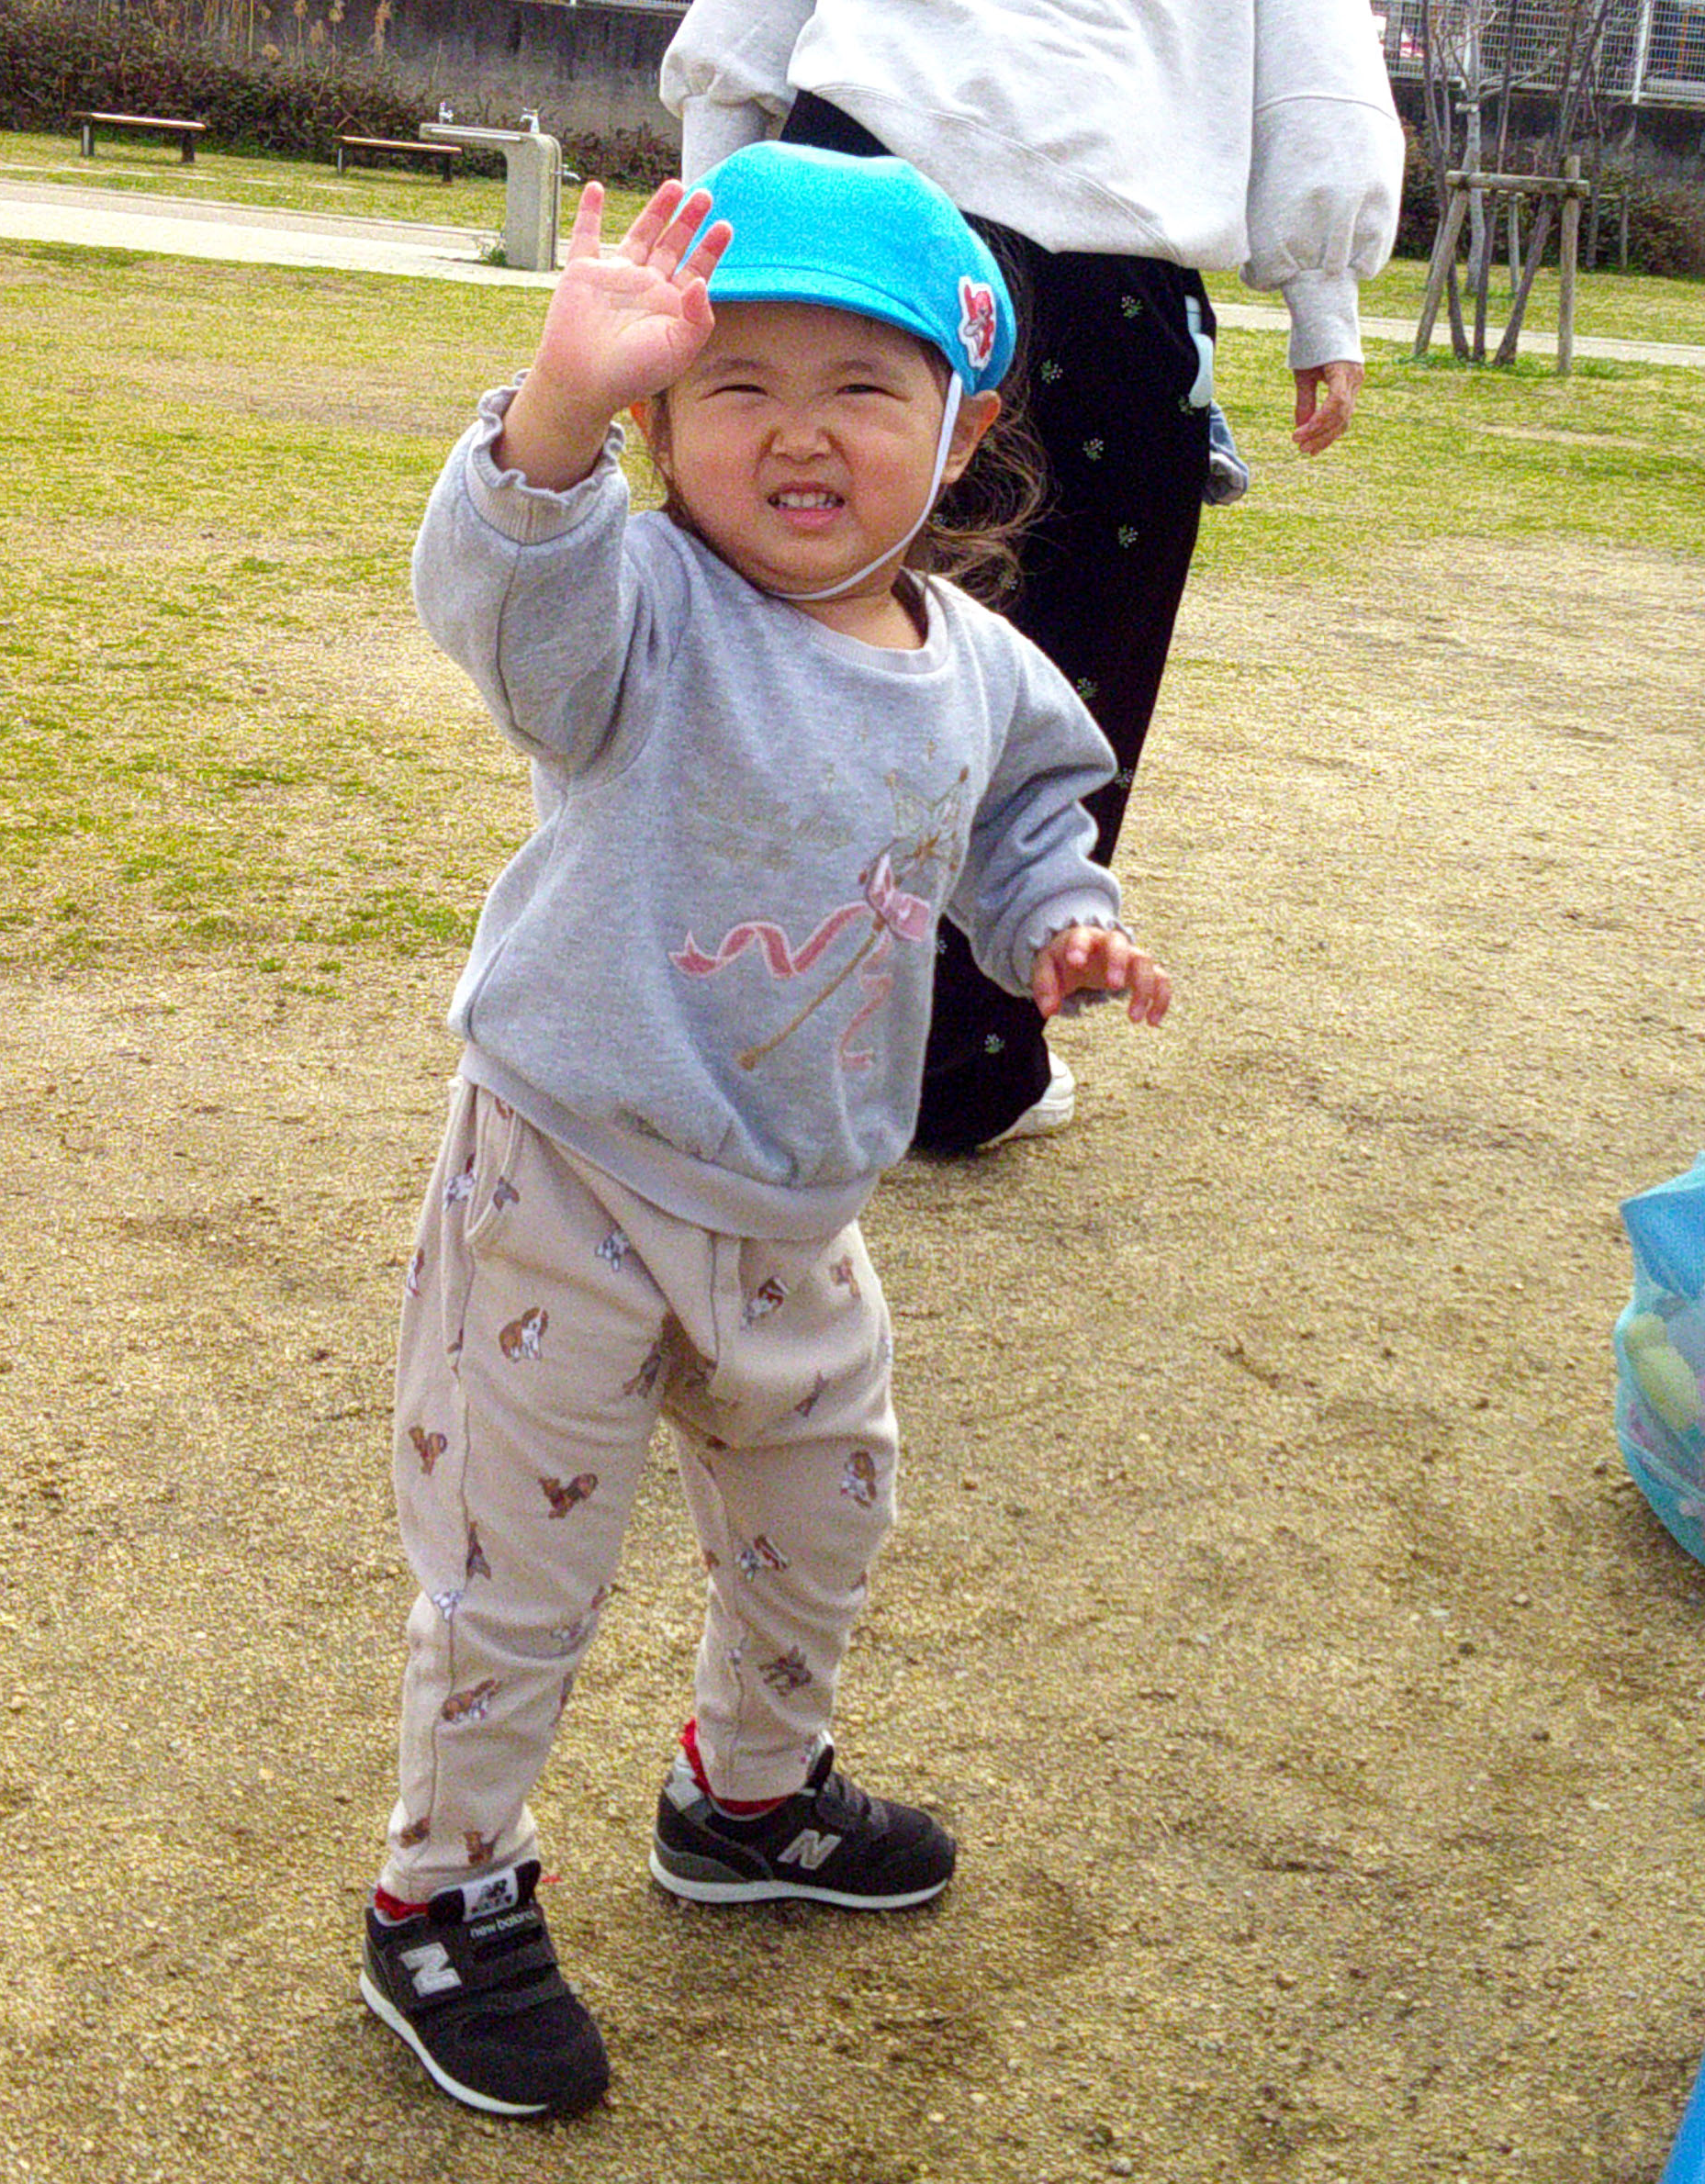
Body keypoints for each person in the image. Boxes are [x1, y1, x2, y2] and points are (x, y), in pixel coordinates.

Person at [360, 143, 1172, 2119]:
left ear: (960, 425)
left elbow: (1023, 825)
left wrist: (1059, 924)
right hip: (566, 1172)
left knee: (822, 1518)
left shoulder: (978, 668)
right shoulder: (632, 604)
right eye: (737, 385)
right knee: (512, 1573)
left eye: (861, 388)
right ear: (663, 421)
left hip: (800, 1198)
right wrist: (555, 416)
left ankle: (746, 1794)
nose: (799, 434)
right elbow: (503, 601)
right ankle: (440, 1891)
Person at [663, 0, 1403, 1148]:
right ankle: (962, 1063)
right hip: (1110, 249)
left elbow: (739, 38)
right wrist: (1325, 297)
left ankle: (711, 1018)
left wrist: (712, 222)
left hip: (855, 216)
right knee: (1062, 661)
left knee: (769, 630)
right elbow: (1317, 65)